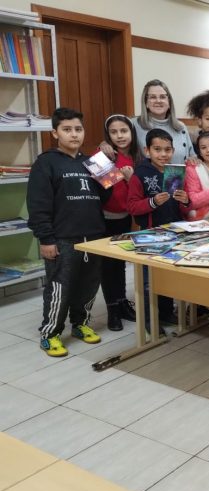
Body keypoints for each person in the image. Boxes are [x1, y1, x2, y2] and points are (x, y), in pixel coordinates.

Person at [27, 108, 110, 357]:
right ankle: (50, 333)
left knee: (89, 284)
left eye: (78, 129)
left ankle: (81, 324)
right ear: (55, 133)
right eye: (67, 129)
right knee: (59, 288)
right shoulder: (46, 162)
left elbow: (107, 197)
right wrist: (46, 239)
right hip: (63, 238)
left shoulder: (94, 162)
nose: (74, 134)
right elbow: (38, 205)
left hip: (94, 235)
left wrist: (110, 171)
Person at [127, 129, 191, 328]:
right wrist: (152, 202)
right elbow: (132, 206)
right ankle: (149, 321)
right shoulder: (140, 174)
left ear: (173, 151)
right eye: (157, 149)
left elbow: (182, 206)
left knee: (167, 276)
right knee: (149, 281)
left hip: (174, 232)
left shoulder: (176, 172)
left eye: (167, 150)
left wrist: (185, 200)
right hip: (150, 235)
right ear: (147, 150)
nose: (163, 154)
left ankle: (166, 312)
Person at [100, 114, 139, 332]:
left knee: (120, 263)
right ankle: (112, 309)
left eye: (123, 131)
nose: (119, 136)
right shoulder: (103, 156)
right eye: (113, 132)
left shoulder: (137, 156)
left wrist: (130, 179)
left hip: (125, 217)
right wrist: (122, 176)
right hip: (105, 219)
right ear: (108, 135)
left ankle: (122, 303)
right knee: (108, 266)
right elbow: (106, 189)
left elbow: (137, 190)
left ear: (131, 132)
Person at [132, 79, 194, 164]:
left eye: (162, 97)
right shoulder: (133, 125)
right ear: (146, 102)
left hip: (180, 173)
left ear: (169, 102)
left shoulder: (181, 127)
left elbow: (192, 156)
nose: (158, 101)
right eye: (153, 97)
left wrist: (193, 160)